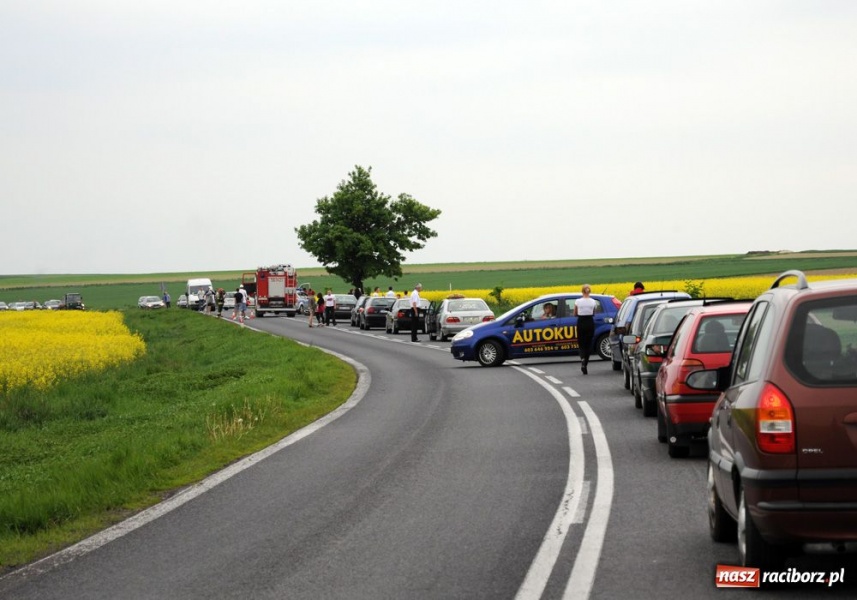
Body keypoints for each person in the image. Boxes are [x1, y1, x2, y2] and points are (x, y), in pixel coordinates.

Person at [574, 284, 597, 375]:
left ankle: (582, 358)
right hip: (589, 322)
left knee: (581, 343)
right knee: (588, 343)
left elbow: (575, 313)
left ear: (582, 291)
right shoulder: (593, 301)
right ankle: (585, 363)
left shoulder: (578, 301)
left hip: (581, 322)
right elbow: (594, 313)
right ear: (589, 291)